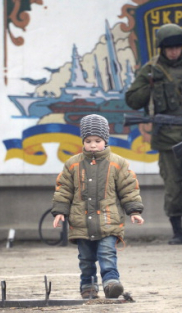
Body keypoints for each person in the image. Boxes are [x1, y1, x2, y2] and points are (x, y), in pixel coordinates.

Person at [51, 114, 145, 299]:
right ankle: (88, 285)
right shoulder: (73, 164)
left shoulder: (118, 163)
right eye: (88, 141)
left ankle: (111, 284)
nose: (93, 145)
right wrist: (60, 211)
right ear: (83, 141)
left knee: (107, 254)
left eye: (97, 140)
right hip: (81, 222)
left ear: (105, 140)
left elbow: (128, 188)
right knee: (86, 259)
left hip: (108, 221)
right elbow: (64, 189)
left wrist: (134, 210)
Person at [125, 23, 182, 245]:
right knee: (172, 185)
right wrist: (149, 86)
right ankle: (177, 232)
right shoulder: (151, 70)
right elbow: (132, 100)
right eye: (169, 48)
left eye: (177, 47)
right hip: (167, 138)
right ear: (162, 48)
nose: (174, 51)